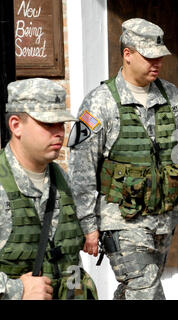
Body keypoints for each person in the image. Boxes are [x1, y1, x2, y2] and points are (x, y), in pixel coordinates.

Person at [68, 18, 178, 300]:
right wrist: (88, 225)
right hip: (121, 220)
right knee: (146, 291)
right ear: (128, 54)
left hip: (164, 218)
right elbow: (81, 169)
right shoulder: (100, 102)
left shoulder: (170, 95)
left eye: (160, 57)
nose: (157, 63)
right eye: (149, 57)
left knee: (135, 291)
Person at [0, 78, 97, 300]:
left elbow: (69, 257)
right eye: (47, 124)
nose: (59, 133)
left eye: (60, 124)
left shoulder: (61, 179)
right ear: (16, 125)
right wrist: (17, 290)